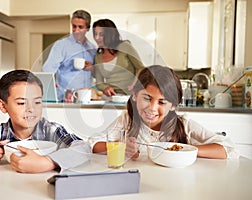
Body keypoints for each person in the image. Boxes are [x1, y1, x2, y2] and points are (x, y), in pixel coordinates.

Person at [89, 65, 239, 159]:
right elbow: (93, 143)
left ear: (173, 105)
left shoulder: (184, 125)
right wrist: (121, 147)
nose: (152, 108)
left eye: (162, 102)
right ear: (135, 96)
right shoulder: (127, 119)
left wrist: (185, 150)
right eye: (147, 98)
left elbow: (228, 149)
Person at [0, 70, 91, 173]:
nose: (31, 109)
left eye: (37, 102)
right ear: (3, 106)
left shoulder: (51, 131)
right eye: (22, 103)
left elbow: (83, 148)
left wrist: (47, 162)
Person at [43, 9, 96, 101]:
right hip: (65, 99)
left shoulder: (92, 48)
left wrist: (92, 68)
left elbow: (97, 74)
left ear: (87, 28)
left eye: (80, 27)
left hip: (86, 99)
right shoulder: (61, 45)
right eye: (74, 26)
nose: (76, 30)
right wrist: (50, 84)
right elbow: (47, 69)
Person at [92, 19, 145, 97]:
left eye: (101, 34)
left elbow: (141, 68)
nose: (97, 38)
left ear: (110, 34)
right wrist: (106, 88)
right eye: (95, 34)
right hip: (113, 97)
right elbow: (99, 82)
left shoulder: (125, 47)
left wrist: (135, 83)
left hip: (131, 95)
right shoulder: (98, 57)